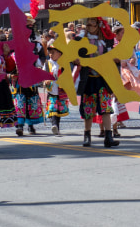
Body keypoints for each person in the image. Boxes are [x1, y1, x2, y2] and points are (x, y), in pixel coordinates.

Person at [76, 16, 118, 148]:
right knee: (88, 110)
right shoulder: (81, 40)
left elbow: (112, 57)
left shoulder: (105, 41)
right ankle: (87, 136)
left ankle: (108, 137)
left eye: (91, 25)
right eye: (87, 25)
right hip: (88, 79)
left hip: (102, 79)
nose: (88, 28)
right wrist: (75, 60)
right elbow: (72, 54)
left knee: (105, 109)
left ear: (98, 26)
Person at [12, 14, 46, 137]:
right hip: (20, 73)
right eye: (27, 24)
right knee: (20, 98)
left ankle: (31, 125)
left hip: (32, 73)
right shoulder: (16, 39)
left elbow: (42, 56)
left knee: (32, 97)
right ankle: (20, 125)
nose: (30, 26)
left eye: (31, 25)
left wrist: (38, 63)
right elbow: (11, 54)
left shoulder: (36, 42)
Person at [43, 40, 69, 136]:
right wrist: (45, 81)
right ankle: (54, 125)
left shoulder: (64, 64)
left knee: (59, 109)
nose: (51, 54)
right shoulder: (47, 64)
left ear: (59, 53)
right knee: (52, 107)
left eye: (53, 52)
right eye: (49, 52)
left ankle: (57, 125)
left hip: (61, 90)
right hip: (52, 90)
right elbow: (44, 75)